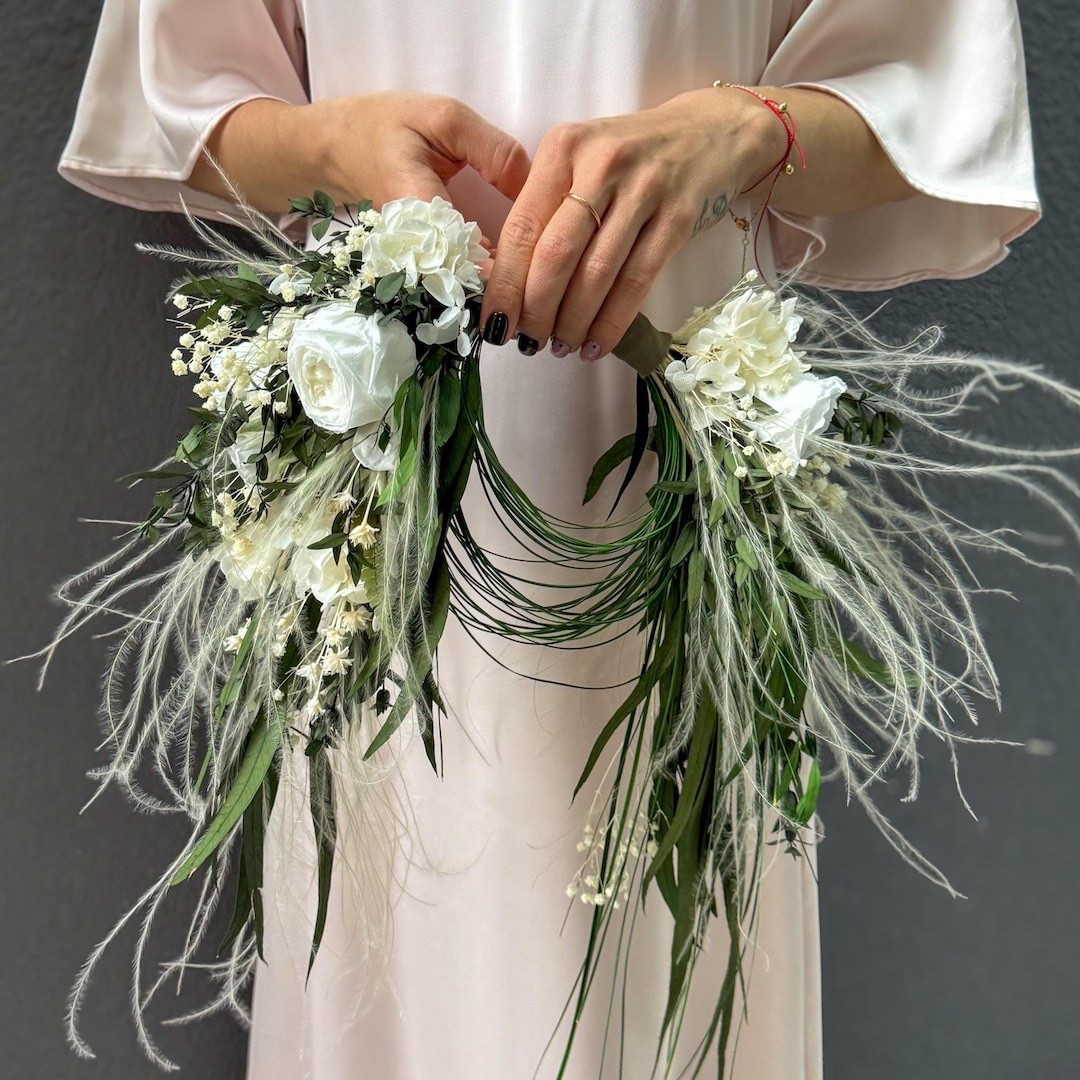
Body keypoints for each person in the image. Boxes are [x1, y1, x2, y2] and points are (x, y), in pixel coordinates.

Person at [58, 2, 1040, 1077]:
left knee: (664, 990)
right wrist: (330, 144)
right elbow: (178, 100)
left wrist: (746, 130)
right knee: (400, 984)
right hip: (387, 542)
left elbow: (936, 101)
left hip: (673, 534)